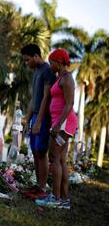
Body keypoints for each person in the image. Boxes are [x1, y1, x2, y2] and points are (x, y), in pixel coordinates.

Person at [35, 48, 77, 209]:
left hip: (63, 124)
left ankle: (56, 198)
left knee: (53, 157)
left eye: (51, 62)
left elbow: (69, 104)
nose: (50, 65)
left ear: (59, 62)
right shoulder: (60, 77)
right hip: (60, 122)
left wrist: (58, 124)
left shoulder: (67, 79)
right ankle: (64, 200)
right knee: (60, 159)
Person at [21, 44, 55, 199]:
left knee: (41, 152)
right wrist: (27, 120)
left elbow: (46, 98)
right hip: (34, 115)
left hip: (44, 117)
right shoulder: (36, 72)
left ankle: (42, 188)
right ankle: (37, 185)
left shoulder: (47, 70)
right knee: (35, 152)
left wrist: (39, 121)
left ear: (36, 56)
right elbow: (33, 99)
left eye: (27, 60)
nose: (26, 63)